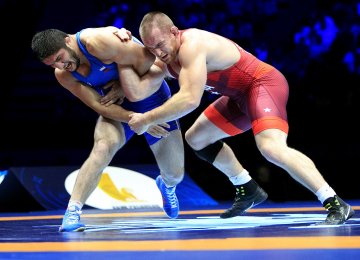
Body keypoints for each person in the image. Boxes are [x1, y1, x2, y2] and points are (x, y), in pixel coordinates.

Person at [117, 11, 354, 225]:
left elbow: (189, 99)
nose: (157, 52)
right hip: (238, 98)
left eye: (160, 44)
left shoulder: (193, 44)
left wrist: (146, 118)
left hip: (263, 84)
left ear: (174, 32)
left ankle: (334, 202)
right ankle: (246, 187)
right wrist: (121, 44)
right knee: (197, 138)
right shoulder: (165, 58)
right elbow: (139, 82)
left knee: (271, 148)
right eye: (151, 49)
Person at [31, 26, 185, 232]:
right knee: (103, 147)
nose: (61, 66)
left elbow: (149, 60)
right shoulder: (64, 75)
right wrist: (135, 118)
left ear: (68, 41)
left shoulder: (98, 42)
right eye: (52, 64)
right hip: (118, 108)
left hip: (150, 97)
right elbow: (97, 105)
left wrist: (127, 86)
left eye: (59, 58)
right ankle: (72, 211)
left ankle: (166, 185)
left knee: (175, 173)